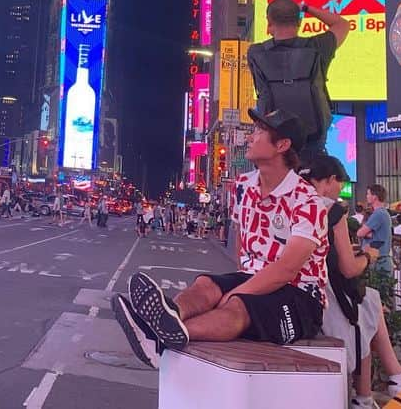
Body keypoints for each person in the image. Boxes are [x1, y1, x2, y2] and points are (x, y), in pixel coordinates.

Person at [113, 109, 329, 369]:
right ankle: (167, 317)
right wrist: (238, 281)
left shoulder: (308, 200)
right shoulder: (243, 186)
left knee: (237, 305)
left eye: (259, 131)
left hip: (300, 295)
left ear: (282, 145)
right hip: (254, 276)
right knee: (206, 285)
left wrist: (236, 291)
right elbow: (240, 242)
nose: (250, 137)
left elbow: (287, 269)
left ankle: (156, 339)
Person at [302, 156, 401, 406]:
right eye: (340, 184)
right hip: (320, 293)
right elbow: (349, 268)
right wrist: (368, 256)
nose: (340, 190)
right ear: (330, 180)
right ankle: (385, 383)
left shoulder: (288, 199)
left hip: (290, 286)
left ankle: (379, 388)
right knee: (368, 304)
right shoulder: (331, 208)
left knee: (367, 304)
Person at [247, 0, 351, 165]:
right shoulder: (318, 47)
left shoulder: (255, 53)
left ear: (269, 24)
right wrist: (307, 8)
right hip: (313, 139)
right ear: (299, 22)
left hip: (274, 139)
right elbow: (343, 24)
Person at [357, 184, 393, 276]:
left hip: (378, 261)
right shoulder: (383, 213)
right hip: (381, 259)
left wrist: (367, 232)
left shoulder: (378, 214)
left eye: (368, 194)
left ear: (375, 197)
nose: (367, 196)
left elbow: (360, 233)